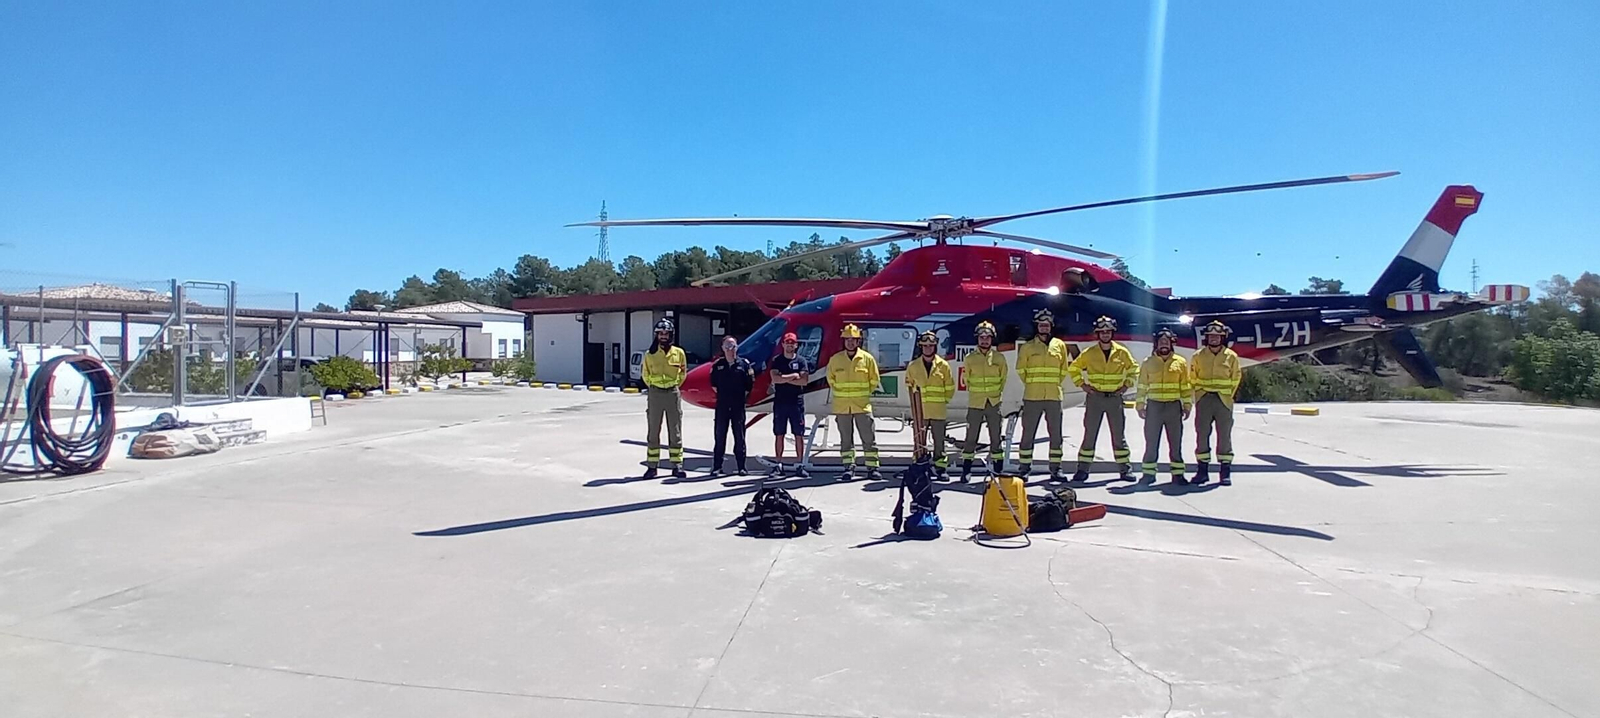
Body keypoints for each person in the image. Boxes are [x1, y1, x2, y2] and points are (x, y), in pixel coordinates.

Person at [1068, 316, 1138, 482]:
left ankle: (1125, 469)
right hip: (1095, 398)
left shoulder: (1122, 351)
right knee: (1090, 434)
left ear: (1112, 333)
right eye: (1102, 332)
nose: (1105, 334)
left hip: (1114, 398)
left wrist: (1127, 385)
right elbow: (1074, 368)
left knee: (1118, 436)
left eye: (1108, 332)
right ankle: (1083, 470)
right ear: (1097, 334)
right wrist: (1082, 385)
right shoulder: (1090, 353)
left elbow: (1134, 369)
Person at [1015, 308, 1071, 480]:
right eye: (1041, 325)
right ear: (1037, 327)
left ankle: (1056, 469)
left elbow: (1063, 369)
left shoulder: (1059, 345)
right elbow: (1021, 370)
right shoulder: (1027, 347)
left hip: (1054, 396)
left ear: (1050, 327)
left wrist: (1052, 384)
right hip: (1033, 396)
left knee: (1056, 435)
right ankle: (1024, 468)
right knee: (1028, 434)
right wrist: (1034, 384)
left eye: (1046, 325)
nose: (1044, 328)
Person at [1136, 327, 1193, 484]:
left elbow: (1185, 386)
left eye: (1166, 341)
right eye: (1161, 341)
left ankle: (1178, 474)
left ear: (1171, 343)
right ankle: (1148, 474)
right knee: (1151, 442)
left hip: (1173, 408)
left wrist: (1187, 405)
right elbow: (1142, 385)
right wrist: (1140, 405)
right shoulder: (1148, 363)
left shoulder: (1180, 362)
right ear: (1156, 344)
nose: (1164, 344)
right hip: (1154, 407)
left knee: (1175, 443)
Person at [825, 323, 881, 481]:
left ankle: (872, 468)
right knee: (846, 440)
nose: (850, 342)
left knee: (869, 438)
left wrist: (861, 395)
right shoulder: (835, 360)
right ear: (843, 341)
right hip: (842, 407)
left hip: (862, 406)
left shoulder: (867, 359)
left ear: (858, 341)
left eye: (853, 339)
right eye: (847, 339)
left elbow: (874, 380)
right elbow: (831, 380)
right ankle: (848, 468)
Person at [1191, 320, 1241, 486]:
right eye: (1211, 336)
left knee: (1224, 436)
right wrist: (1198, 395)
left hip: (1223, 401)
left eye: (1217, 336)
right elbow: (1192, 377)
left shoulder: (1231, 356)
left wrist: (1228, 396)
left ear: (1223, 337)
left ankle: (1225, 472)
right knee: (1202, 435)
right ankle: (1202, 471)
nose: (1214, 339)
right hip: (1204, 400)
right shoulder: (1198, 356)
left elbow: (1236, 378)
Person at [960, 321, 1008, 481]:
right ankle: (966, 470)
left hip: (993, 403)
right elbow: (966, 379)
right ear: (977, 339)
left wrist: (995, 394)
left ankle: (997, 470)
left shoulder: (999, 358)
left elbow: (1003, 378)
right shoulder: (970, 358)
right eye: (982, 337)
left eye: (988, 337)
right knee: (971, 437)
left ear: (992, 339)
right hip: (976, 402)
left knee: (996, 437)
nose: (985, 340)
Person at [904, 330, 956, 479]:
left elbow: (950, 388)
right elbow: (909, 386)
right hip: (920, 412)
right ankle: (919, 466)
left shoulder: (944, 366)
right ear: (921, 347)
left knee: (939, 443)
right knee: (919, 442)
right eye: (925, 345)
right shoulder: (913, 366)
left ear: (935, 347)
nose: (928, 348)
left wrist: (941, 402)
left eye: (931, 345)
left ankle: (940, 469)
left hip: (938, 410)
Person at [641, 318, 687, 479]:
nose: (663, 336)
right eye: (660, 333)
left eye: (666, 333)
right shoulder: (650, 354)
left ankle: (677, 465)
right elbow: (645, 374)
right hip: (655, 394)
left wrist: (673, 385)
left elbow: (682, 373)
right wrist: (655, 386)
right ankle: (652, 466)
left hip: (672, 393)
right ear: (656, 335)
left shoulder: (679, 353)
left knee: (675, 430)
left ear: (670, 335)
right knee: (653, 431)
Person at [709, 335, 755, 477]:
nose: (731, 349)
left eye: (733, 346)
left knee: (739, 437)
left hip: (738, 406)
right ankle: (717, 467)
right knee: (720, 436)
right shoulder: (717, 366)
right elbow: (714, 385)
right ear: (722, 348)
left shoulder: (744, 365)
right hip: (722, 406)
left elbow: (749, 385)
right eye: (727, 346)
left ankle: (741, 467)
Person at [768, 332, 812, 478]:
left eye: (792, 343)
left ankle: (800, 464)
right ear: (783, 344)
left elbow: (804, 381)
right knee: (779, 433)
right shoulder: (777, 360)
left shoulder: (801, 361)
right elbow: (775, 378)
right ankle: (778, 464)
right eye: (787, 342)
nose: (789, 345)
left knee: (798, 434)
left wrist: (783, 378)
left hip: (796, 402)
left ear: (796, 345)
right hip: (780, 402)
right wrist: (793, 376)